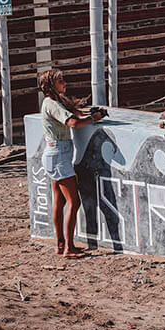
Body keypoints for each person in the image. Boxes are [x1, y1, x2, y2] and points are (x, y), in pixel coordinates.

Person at [37, 69, 104, 258]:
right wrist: (93, 119)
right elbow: (73, 122)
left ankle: (60, 244)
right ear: (51, 85)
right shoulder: (52, 104)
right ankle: (69, 247)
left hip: (54, 153)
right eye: (60, 81)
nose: (64, 83)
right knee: (74, 202)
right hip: (59, 154)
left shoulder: (52, 103)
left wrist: (88, 112)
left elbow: (73, 112)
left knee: (59, 201)